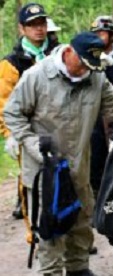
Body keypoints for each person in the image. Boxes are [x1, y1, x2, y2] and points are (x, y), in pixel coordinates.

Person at [4, 32, 113, 276]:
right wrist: (32, 145)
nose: (86, 71)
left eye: (92, 66)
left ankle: (78, 268)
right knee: (51, 219)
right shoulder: (37, 76)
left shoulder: (95, 78)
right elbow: (13, 113)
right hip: (45, 168)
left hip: (79, 163)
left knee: (82, 215)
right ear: (68, 52)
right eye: (83, 64)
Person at [0, 3, 58, 234]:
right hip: (27, 131)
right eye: (32, 25)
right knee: (32, 182)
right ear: (22, 29)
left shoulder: (59, 54)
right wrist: (9, 134)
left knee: (66, 180)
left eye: (42, 23)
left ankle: (65, 233)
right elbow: (3, 102)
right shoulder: (12, 63)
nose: (38, 29)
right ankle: (35, 232)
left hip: (60, 127)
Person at [89, 15, 113, 195]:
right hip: (93, 119)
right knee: (94, 161)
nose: (98, 37)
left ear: (112, 36)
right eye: (95, 33)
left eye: (102, 33)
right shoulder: (89, 60)